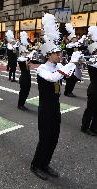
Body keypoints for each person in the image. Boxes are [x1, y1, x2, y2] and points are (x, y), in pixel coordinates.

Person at [30, 13, 78, 181]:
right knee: (45, 138)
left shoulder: (59, 66)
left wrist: (76, 64)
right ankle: (36, 165)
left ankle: (45, 163)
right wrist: (71, 63)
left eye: (59, 53)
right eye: (57, 53)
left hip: (55, 106)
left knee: (54, 137)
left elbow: (74, 76)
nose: (59, 55)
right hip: (45, 108)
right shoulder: (42, 68)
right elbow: (53, 78)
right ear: (48, 54)